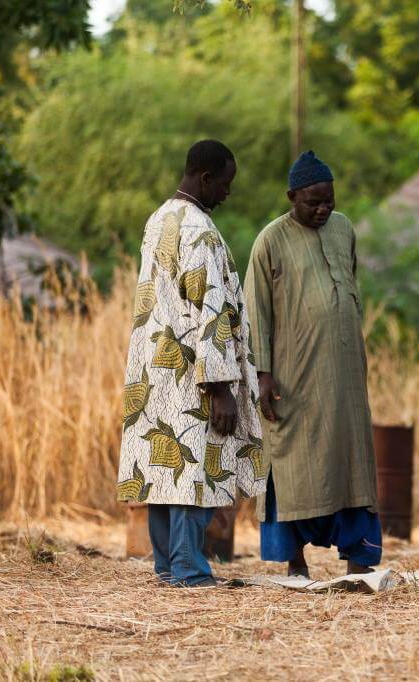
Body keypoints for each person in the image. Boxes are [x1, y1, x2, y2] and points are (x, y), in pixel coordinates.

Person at [116, 139, 266, 587]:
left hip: (154, 366)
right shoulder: (198, 229)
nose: (227, 192)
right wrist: (220, 387)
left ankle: (167, 565)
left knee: (166, 471)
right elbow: (210, 310)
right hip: (193, 372)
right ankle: (188, 569)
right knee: (195, 467)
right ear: (205, 178)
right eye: (225, 183)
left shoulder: (159, 219)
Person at [245, 150, 381, 579]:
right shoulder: (271, 240)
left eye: (329, 200)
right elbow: (257, 311)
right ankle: (295, 561)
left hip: (344, 374)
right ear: (292, 197)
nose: (323, 209)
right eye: (313, 202)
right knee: (293, 463)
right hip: (294, 376)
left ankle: (359, 560)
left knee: (353, 462)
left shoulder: (343, 229)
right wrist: (263, 375)